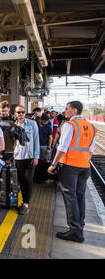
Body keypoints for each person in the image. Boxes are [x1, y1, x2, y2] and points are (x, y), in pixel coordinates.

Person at [48, 101, 96, 243]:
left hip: (69, 166)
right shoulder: (91, 127)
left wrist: (53, 164)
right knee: (79, 196)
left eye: (67, 109)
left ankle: (75, 231)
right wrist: (84, 161)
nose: (64, 111)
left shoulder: (70, 125)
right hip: (85, 166)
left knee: (70, 197)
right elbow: (91, 150)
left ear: (74, 111)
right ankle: (79, 226)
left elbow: (62, 148)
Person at [14, 105, 40, 215]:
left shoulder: (32, 124)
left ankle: (26, 204)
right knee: (21, 180)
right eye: (19, 112)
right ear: (15, 113)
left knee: (28, 179)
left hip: (30, 156)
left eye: (23, 112)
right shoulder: (13, 126)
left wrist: (36, 156)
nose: (21, 114)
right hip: (18, 157)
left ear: (25, 113)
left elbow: (36, 140)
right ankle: (24, 201)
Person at [35, 114, 53, 184]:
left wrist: (49, 147)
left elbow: (50, 138)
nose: (46, 123)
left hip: (45, 147)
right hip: (36, 146)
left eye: (47, 122)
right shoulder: (36, 125)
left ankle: (44, 178)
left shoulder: (48, 127)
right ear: (41, 120)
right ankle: (37, 178)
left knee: (45, 163)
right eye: (45, 121)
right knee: (37, 163)